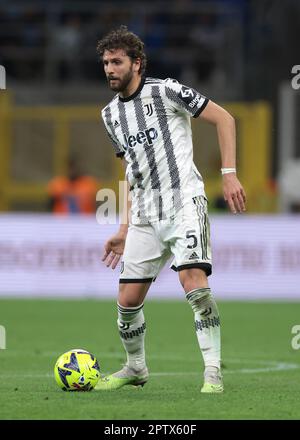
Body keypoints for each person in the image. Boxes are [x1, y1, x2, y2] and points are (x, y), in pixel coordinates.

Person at [95, 25, 246, 393]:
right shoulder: (110, 116)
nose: (110, 69)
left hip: (184, 203)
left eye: (117, 62)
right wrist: (124, 227)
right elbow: (133, 172)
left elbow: (225, 118)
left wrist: (229, 175)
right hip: (145, 214)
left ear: (137, 63)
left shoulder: (167, 91)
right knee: (127, 301)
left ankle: (213, 371)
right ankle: (135, 368)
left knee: (193, 283)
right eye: (105, 63)